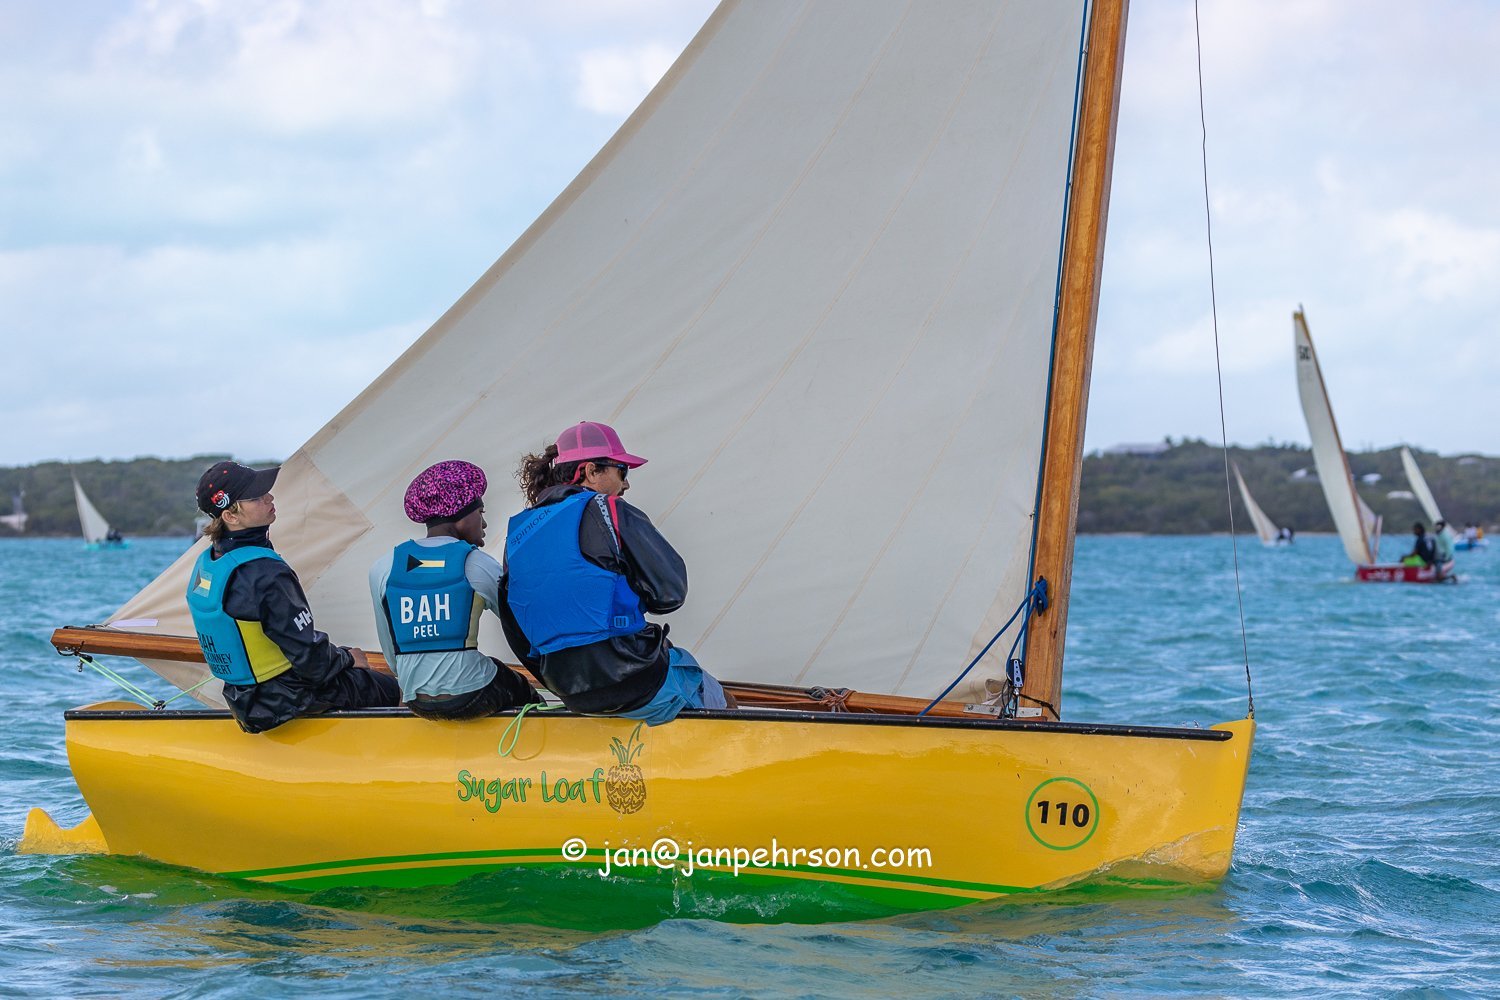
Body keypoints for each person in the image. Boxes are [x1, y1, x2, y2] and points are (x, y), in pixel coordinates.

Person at [500, 421, 736, 725]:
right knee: (719, 698)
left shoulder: (516, 536)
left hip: (569, 691)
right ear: (590, 471)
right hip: (634, 678)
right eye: (621, 471)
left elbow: (515, 628)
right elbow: (670, 595)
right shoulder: (610, 509)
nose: (626, 485)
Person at [187, 461, 401, 733]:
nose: (270, 497)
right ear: (231, 516)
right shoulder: (266, 573)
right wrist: (349, 659)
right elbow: (313, 665)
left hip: (243, 700)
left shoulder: (209, 563)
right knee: (390, 689)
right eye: (256, 497)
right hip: (284, 699)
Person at [368, 460, 544, 720]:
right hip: (472, 694)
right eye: (481, 513)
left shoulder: (383, 568)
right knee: (517, 686)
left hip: (416, 700)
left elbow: (393, 658)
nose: (484, 524)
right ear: (461, 516)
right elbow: (525, 630)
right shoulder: (477, 564)